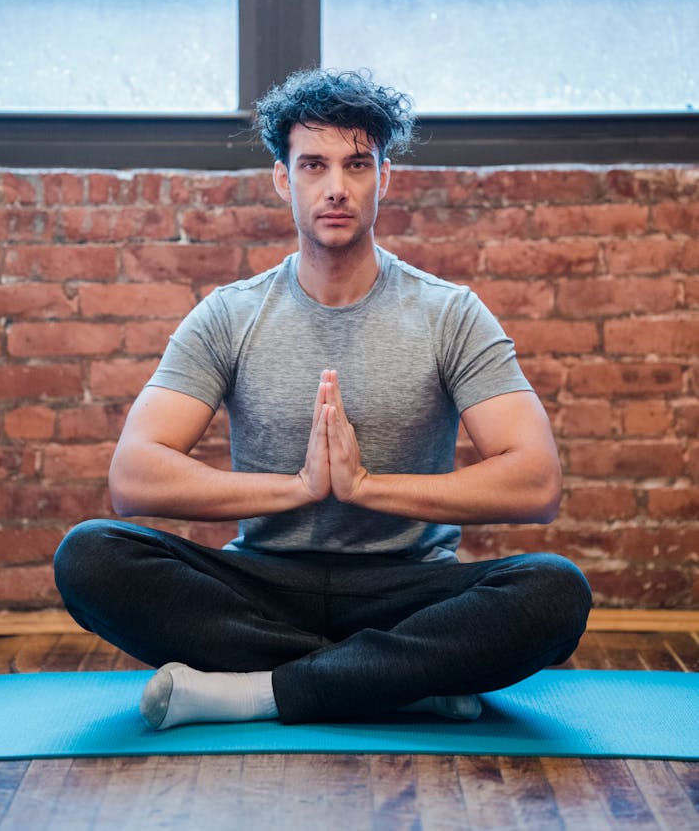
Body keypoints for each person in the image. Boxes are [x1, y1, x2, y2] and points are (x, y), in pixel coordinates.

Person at [54, 68, 591, 729]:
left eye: (357, 164)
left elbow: (536, 481)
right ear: (284, 178)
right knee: (89, 555)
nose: (336, 186)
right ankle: (401, 679)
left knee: (555, 593)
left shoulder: (448, 312)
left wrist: (365, 486)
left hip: (406, 586)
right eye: (313, 164)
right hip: (264, 585)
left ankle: (259, 691)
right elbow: (133, 477)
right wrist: (301, 487)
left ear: (384, 177)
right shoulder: (231, 314)